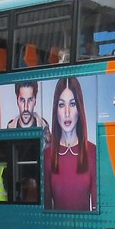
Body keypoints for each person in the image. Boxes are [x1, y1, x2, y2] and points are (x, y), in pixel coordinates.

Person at [43, 76, 97, 211]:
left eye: (72, 104)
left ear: (79, 109)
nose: (67, 112)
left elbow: (98, 208)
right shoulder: (47, 155)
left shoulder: (93, 152)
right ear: (56, 110)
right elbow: (46, 207)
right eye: (61, 105)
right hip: (57, 228)